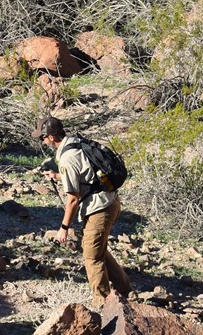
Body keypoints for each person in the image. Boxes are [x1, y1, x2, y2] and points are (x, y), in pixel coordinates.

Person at [34, 115, 131, 305]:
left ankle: (102, 302)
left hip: (99, 208)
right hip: (109, 201)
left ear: (52, 137)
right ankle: (124, 289)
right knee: (97, 249)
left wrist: (64, 227)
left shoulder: (66, 158)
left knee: (91, 256)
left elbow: (72, 199)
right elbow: (85, 175)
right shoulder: (75, 143)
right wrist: (57, 176)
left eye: (42, 137)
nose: (42, 141)